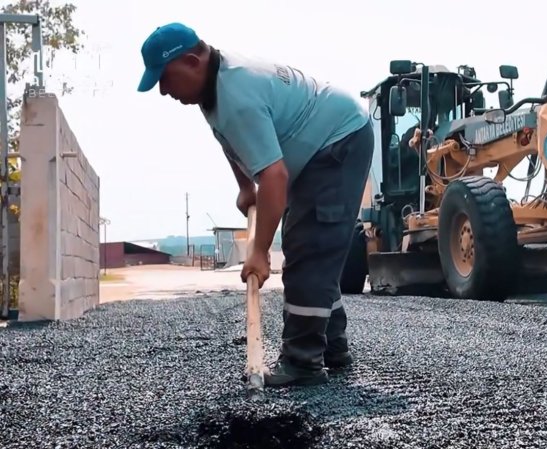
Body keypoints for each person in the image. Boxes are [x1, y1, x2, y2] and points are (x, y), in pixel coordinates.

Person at [136, 22, 374, 387]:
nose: (164, 91)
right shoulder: (212, 88)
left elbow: (275, 177)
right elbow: (231, 140)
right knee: (314, 250)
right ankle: (332, 348)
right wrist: (246, 186)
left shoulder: (235, 95)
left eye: (165, 78)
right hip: (319, 146)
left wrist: (260, 251)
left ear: (191, 61)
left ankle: (303, 362)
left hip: (338, 141)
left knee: (309, 249)